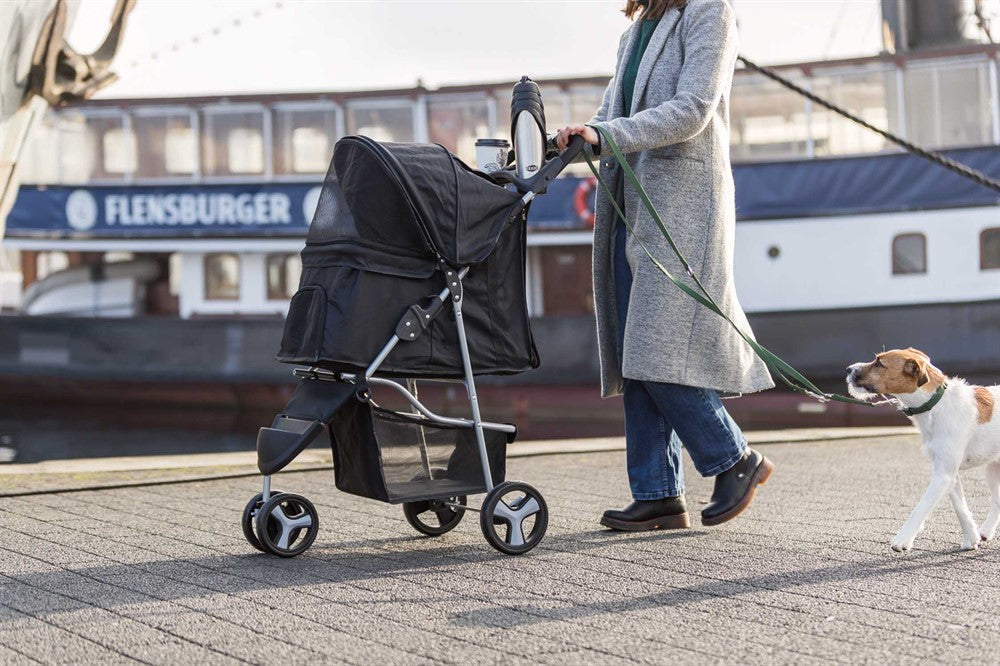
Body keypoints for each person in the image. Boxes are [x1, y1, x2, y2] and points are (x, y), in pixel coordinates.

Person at [555, 0, 775, 531]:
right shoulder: (637, 29)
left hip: (684, 208)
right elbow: (613, 114)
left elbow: (695, 107)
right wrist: (577, 135)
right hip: (630, 207)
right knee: (636, 349)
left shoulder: (709, 11)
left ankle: (734, 459)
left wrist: (606, 136)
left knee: (656, 346)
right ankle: (656, 492)